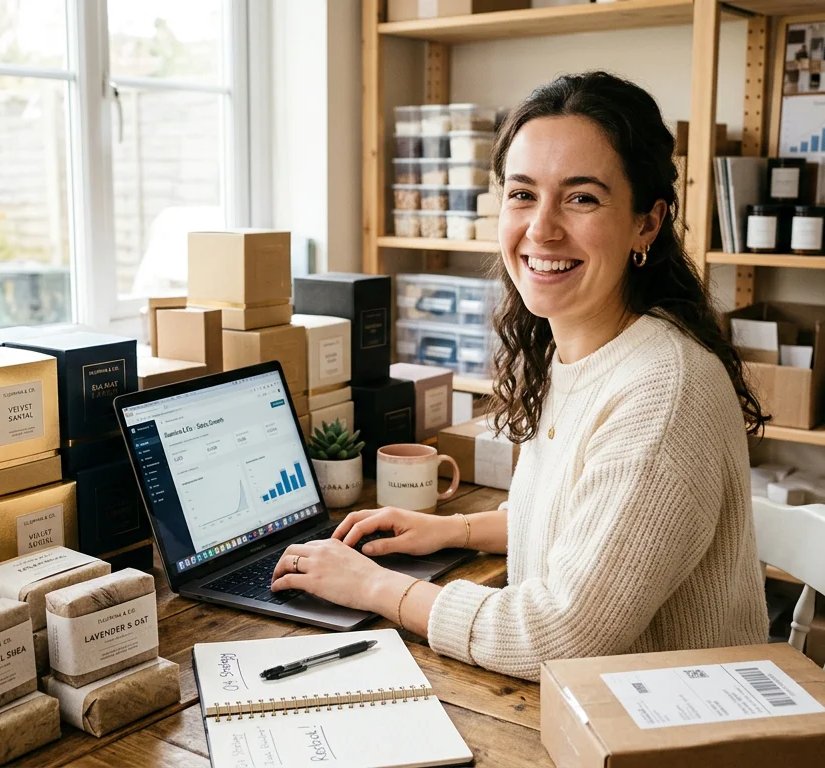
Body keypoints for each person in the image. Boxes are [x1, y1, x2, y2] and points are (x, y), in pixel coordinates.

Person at [270, 71, 770, 680]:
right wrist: (450, 529)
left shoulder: (665, 391)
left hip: (669, 719)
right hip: (588, 703)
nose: (541, 228)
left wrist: (375, 587)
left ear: (647, 222)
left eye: (582, 198)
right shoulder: (579, 348)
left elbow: (561, 634)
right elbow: (579, 524)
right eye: (523, 193)